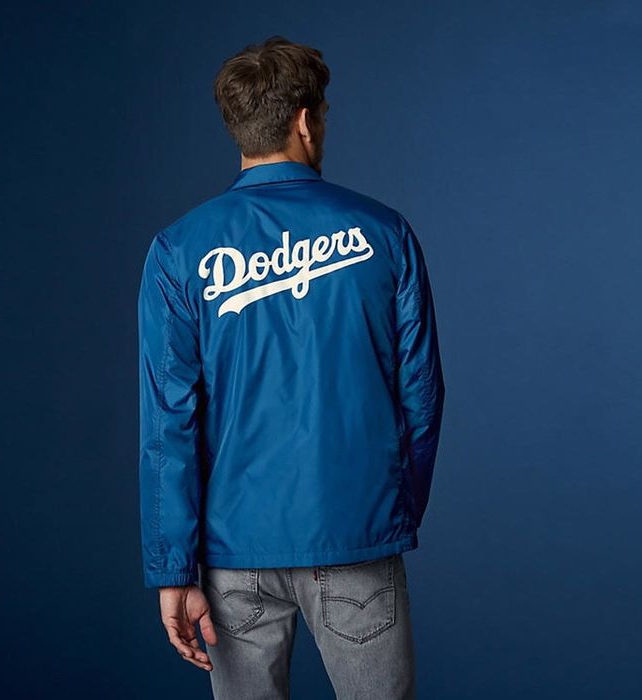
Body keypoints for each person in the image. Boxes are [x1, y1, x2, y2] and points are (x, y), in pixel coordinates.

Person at [137, 34, 446, 700]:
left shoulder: (178, 250)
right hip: (356, 532)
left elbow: (168, 424)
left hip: (231, 548)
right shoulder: (385, 233)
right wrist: (387, 511)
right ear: (305, 121)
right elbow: (420, 396)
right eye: (323, 114)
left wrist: (172, 570)